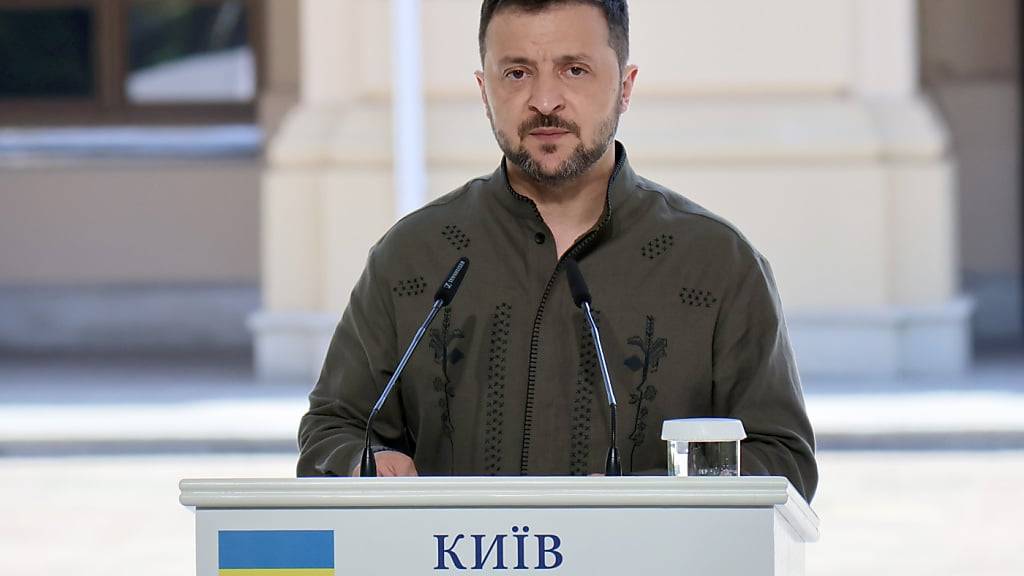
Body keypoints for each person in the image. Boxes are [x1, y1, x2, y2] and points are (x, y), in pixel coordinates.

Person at [298, 0, 818, 501]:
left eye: (574, 70)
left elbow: (784, 461)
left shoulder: (718, 265)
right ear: (484, 90)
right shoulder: (411, 258)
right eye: (517, 73)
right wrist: (362, 463)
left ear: (625, 87)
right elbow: (332, 430)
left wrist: (649, 497)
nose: (545, 100)